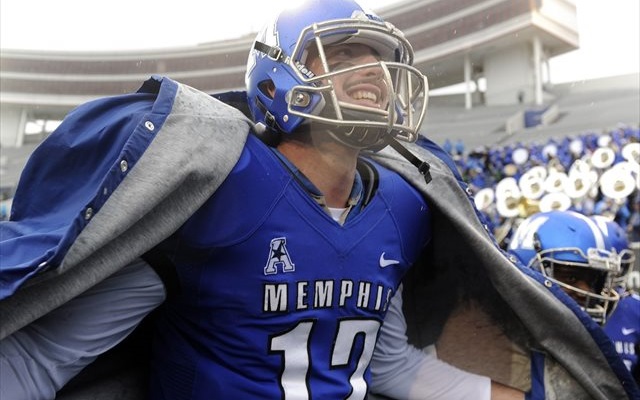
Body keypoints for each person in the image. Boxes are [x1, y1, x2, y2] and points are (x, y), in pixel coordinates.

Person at [1, 1, 638, 399]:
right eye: (342, 52)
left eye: (379, 57)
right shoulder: (215, 185)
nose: (371, 70)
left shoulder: (404, 205)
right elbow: (47, 354)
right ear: (278, 75)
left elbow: (386, 365)